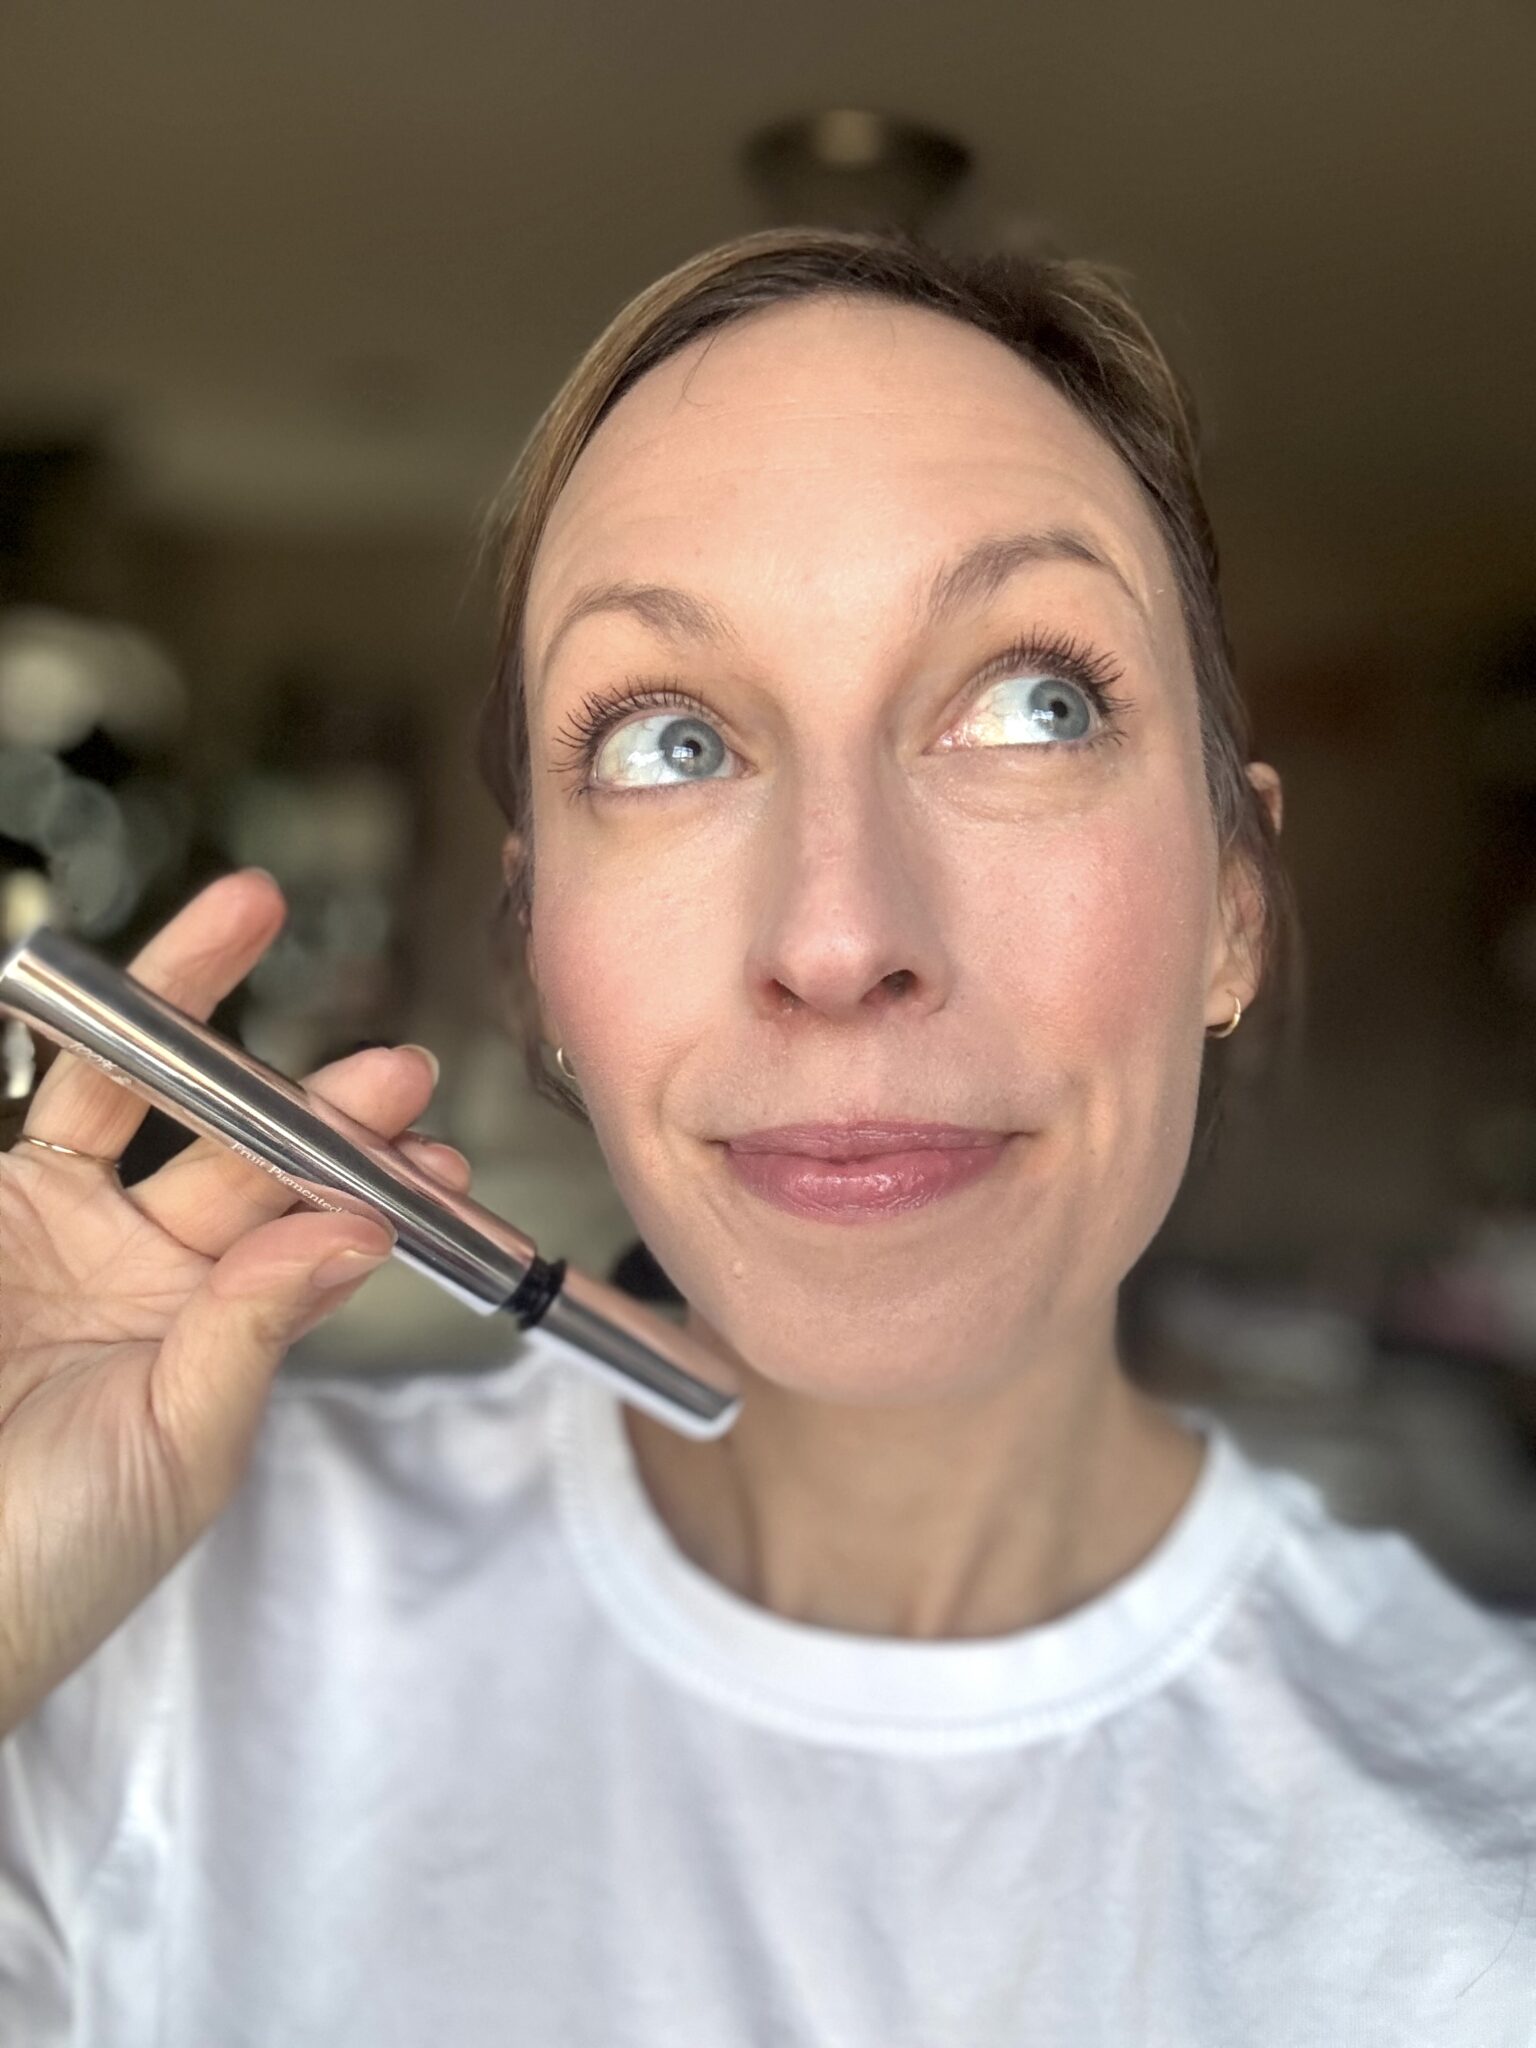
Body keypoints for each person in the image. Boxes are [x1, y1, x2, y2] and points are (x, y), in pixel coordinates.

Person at [1, 226, 1533, 2047]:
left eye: (1035, 705)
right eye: (668, 740)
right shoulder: (137, 1667)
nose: (834, 935)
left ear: (1232, 906)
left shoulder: (1484, 1859)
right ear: (537, 956)